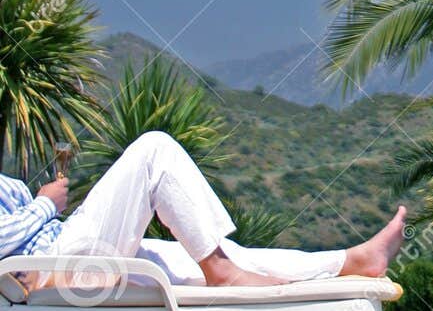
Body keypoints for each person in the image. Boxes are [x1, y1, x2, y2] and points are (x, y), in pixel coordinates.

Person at [0, 131, 406, 287]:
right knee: (154, 149)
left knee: (228, 255)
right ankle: (222, 275)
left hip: (65, 251)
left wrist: (36, 204)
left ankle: (353, 261)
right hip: (52, 265)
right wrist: (42, 204)